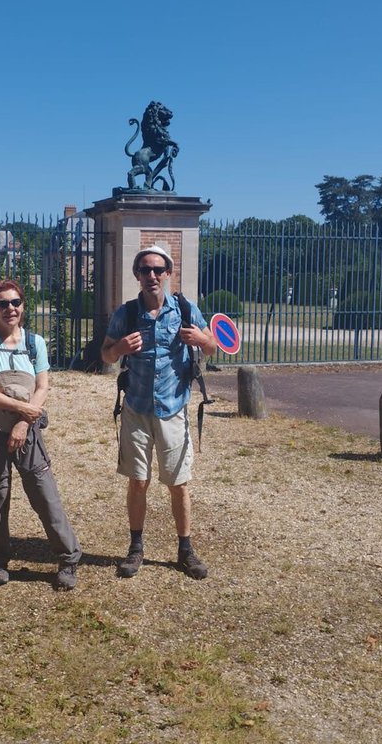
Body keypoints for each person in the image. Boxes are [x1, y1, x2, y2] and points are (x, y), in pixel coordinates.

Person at [100, 246, 216, 580]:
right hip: (136, 409)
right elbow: (106, 354)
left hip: (172, 408)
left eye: (157, 269)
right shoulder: (126, 313)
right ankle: (136, 548)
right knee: (138, 481)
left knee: (178, 483)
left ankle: (185, 550)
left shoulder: (185, 309)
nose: (151, 275)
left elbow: (212, 346)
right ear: (137, 274)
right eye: (145, 270)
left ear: (168, 273)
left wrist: (201, 339)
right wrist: (120, 348)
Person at [0, 279, 82, 591]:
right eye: (3, 304)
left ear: (23, 306)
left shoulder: (35, 343)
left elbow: (42, 386)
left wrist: (23, 423)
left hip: (27, 432)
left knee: (44, 494)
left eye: (15, 302)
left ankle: (68, 558)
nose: (10, 309)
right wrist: (23, 409)